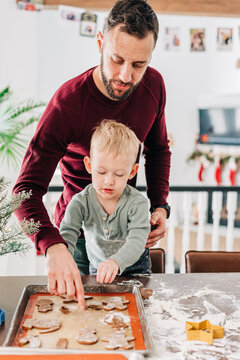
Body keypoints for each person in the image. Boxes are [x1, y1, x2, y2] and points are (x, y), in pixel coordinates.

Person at [13, 0, 171, 310]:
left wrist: (160, 205)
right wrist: (51, 244)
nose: (126, 76)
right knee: (79, 316)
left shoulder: (154, 86)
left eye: (139, 64)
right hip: (78, 231)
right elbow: (24, 192)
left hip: (129, 228)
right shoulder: (67, 103)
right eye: (116, 59)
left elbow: (158, 149)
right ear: (100, 43)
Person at [60, 120, 151, 284]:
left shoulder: (138, 203)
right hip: (98, 267)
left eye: (119, 174)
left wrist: (116, 262)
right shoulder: (80, 202)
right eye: (101, 172)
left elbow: (138, 240)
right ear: (89, 165)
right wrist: (64, 260)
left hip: (136, 268)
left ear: (132, 171)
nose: (109, 181)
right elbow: (68, 233)